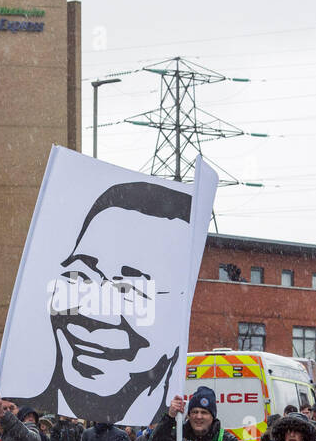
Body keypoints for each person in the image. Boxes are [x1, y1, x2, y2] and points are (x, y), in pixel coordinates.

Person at [14, 181, 194, 424]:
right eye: (81, 276)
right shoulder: (25, 416)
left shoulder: (182, 440)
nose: (95, 313)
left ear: (179, 312)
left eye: (129, 289)